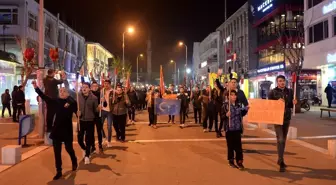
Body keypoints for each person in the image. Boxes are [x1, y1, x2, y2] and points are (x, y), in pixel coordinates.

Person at [32, 80, 77, 180]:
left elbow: (75, 103)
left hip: (67, 130)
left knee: (69, 149)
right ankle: (59, 171)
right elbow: (44, 97)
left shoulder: (71, 102)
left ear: (68, 93)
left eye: (64, 91)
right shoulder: (55, 102)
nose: (61, 92)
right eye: (60, 91)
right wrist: (36, 88)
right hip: (56, 130)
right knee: (57, 152)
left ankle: (74, 160)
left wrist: (69, 101)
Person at [268, 75, 297, 172]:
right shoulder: (272, 92)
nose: (282, 82)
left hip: (286, 118)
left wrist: (294, 102)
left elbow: (290, 105)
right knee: (280, 139)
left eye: (283, 81)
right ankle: (281, 162)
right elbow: (269, 105)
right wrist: (277, 102)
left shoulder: (290, 91)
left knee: (283, 140)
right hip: (277, 119)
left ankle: (280, 159)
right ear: (277, 82)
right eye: (280, 81)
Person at [222, 90, 249, 170]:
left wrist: (246, 110)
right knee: (230, 146)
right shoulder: (225, 106)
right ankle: (231, 160)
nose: (234, 96)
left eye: (235, 95)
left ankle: (239, 161)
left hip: (237, 129)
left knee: (238, 147)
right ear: (228, 96)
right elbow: (222, 116)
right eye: (231, 95)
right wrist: (226, 115)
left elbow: (241, 114)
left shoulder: (238, 105)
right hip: (229, 129)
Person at [77, 82, 98, 164]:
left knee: (88, 139)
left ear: (89, 89)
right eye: (82, 87)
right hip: (81, 120)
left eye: (86, 87)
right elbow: (75, 106)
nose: (84, 89)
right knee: (79, 139)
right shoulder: (78, 96)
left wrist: (98, 109)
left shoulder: (94, 98)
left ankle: (87, 156)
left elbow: (95, 111)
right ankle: (86, 149)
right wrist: (77, 112)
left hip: (90, 121)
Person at [101, 80, 114, 147]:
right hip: (103, 110)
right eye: (105, 83)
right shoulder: (102, 91)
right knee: (100, 125)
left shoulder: (113, 92)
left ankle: (109, 141)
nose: (106, 85)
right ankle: (104, 137)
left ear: (110, 84)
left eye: (107, 84)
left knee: (109, 127)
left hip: (110, 112)